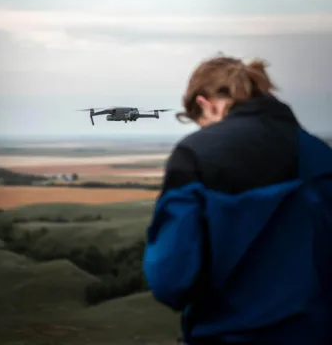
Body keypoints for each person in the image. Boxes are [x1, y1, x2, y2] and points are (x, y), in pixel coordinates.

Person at [142, 55, 332, 344]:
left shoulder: (196, 155)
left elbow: (171, 279)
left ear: (206, 104)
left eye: (201, 122)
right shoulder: (320, 155)